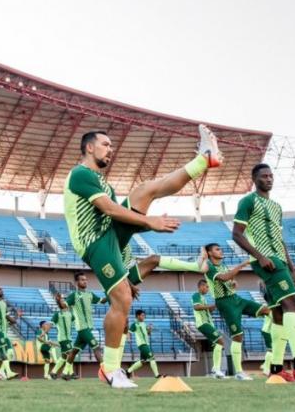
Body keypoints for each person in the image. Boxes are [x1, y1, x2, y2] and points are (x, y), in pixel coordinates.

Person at [63, 126, 222, 388]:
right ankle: (110, 370)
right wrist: (149, 222)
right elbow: (109, 209)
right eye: (105, 144)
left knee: (145, 189)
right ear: (89, 147)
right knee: (122, 297)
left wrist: (144, 228)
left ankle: (203, 159)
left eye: (111, 146)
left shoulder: (102, 181)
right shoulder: (80, 174)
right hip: (94, 242)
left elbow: (113, 212)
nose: (110, 149)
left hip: (109, 236)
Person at [232, 164, 295, 382]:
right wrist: (260, 257)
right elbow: (237, 234)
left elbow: (280, 240)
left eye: (271, 176)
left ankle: (277, 369)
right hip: (266, 260)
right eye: (263, 176)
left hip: (278, 260)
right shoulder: (248, 201)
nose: (268, 179)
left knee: (278, 312)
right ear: (254, 179)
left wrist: (292, 267)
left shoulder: (276, 207)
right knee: (293, 305)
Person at [204, 243, 270, 380]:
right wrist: (242, 265)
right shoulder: (208, 267)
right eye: (217, 249)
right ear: (209, 253)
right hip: (225, 303)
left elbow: (230, 280)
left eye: (220, 248)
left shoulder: (223, 265)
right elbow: (223, 278)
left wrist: (234, 284)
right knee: (237, 336)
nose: (220, 250)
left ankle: (270, 355)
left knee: (267, 311)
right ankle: (239, 372)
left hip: (236, 299)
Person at [64, 272, 106, 377]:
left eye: (86, 279)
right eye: (82, 280)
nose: (85, 281)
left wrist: (110, 293)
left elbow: (102, 301)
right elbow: (64, 305)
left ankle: (65, 372)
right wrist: (59, 301)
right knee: (96, 347)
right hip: (82, 328)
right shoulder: (74, 295)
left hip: (88, 328)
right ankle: (106, 372)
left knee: (74, 351)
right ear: (77, 282)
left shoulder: (90, 294)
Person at [191, 279, 226, 378]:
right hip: (203, 323)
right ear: (201, 287)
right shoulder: (196, 295)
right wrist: (210, 306)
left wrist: (212, 308)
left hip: (208, 323)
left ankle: (216, 370)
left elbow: (206, 311)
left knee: (218, 343)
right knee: (220, 342)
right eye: (207, 287)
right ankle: (216, 369)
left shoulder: (203, 298)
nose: (208, 289)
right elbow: (196, 307)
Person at [126, 310, 162, 378]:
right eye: (142, 315)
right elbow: (129, 332)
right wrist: (128, 339)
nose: (144, 316)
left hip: (146, 344)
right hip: (142, 344)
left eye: (144, 315)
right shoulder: (135, 324)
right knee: (152, 357)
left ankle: (128, 371)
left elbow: (148, 334)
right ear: (138, 316)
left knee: (143, 361)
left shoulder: (144, 324)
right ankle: (157, 375)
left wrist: (150, 329)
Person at [49, 293, 75, 379]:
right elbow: (50, 324)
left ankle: (53, 372)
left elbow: (75, 318)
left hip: (68, 338)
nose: (65, 302)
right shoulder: (57, 314)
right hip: (63, 338)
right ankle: (70, 373)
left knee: (64, 357)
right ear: (60, 304)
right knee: (71, 354)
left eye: (65, 301)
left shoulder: (70, 314)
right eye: (63, 301)